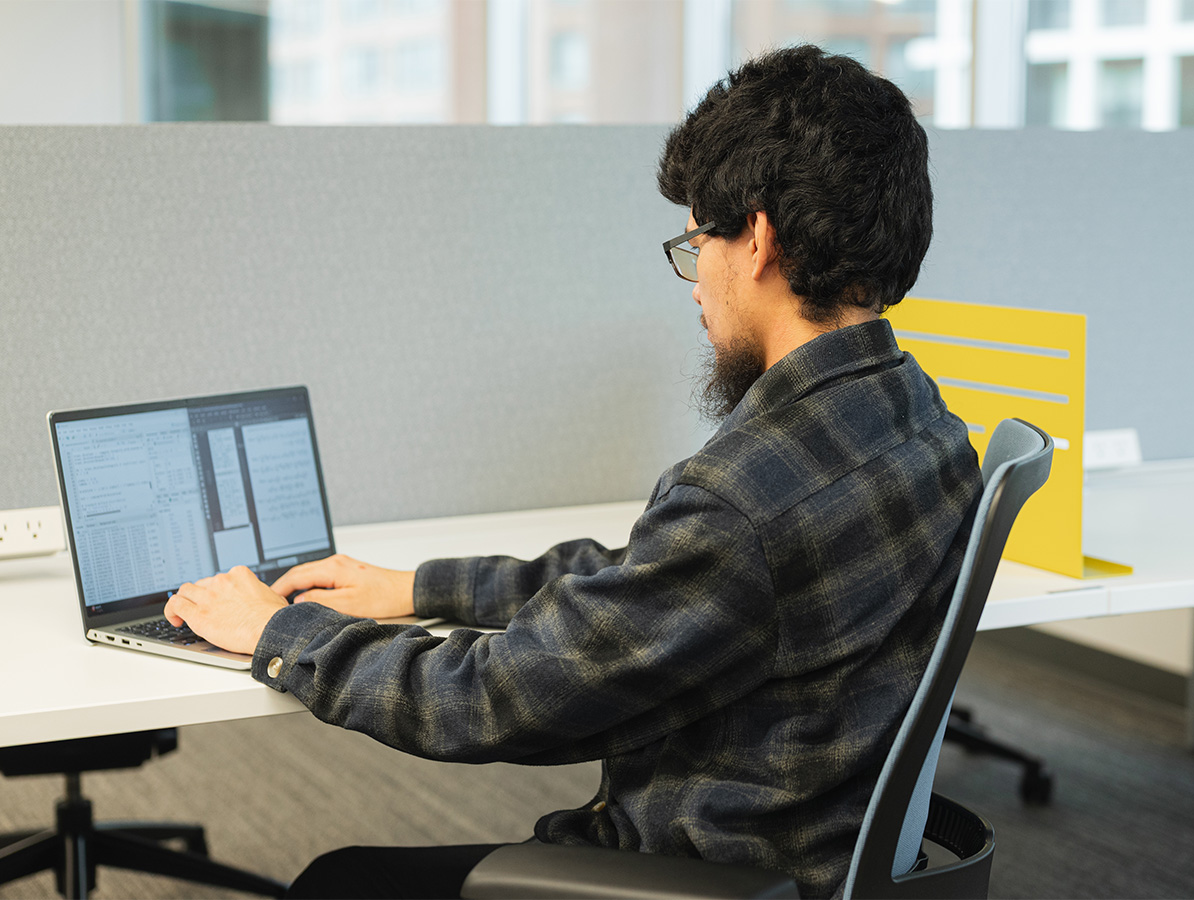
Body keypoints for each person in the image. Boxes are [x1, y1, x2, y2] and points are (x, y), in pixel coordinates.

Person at [165, 45, 982, 899]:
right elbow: (646, 588)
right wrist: (420, 586)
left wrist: (278, 636)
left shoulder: (742, 503)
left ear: (759, 240)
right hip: (826, 849)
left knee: (337, 884)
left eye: (698, 236)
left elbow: (490, 698)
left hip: (707, 876)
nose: (694, 279)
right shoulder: (920, 418)